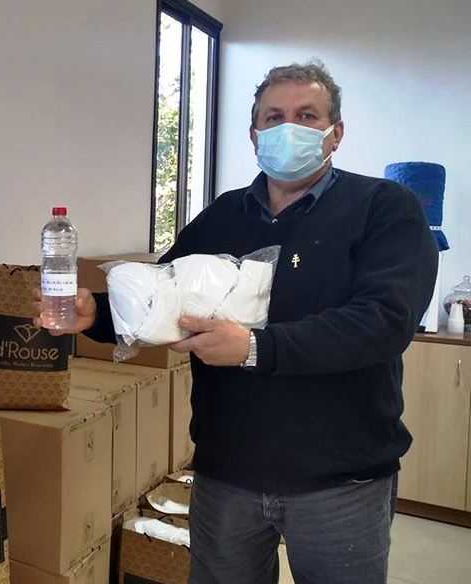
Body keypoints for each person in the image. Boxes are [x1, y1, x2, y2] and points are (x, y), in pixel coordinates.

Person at [40, 61, 438, 583]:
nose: (288, 128)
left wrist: (255, 347)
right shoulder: (225, 215)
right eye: (273, 117)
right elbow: (164, 297)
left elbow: (385, 321)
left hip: (341, 481)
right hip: (227, 472)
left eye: (307, 116)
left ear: (335, 133)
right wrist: (98, 312)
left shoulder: (384, 208)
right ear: (254, 135)